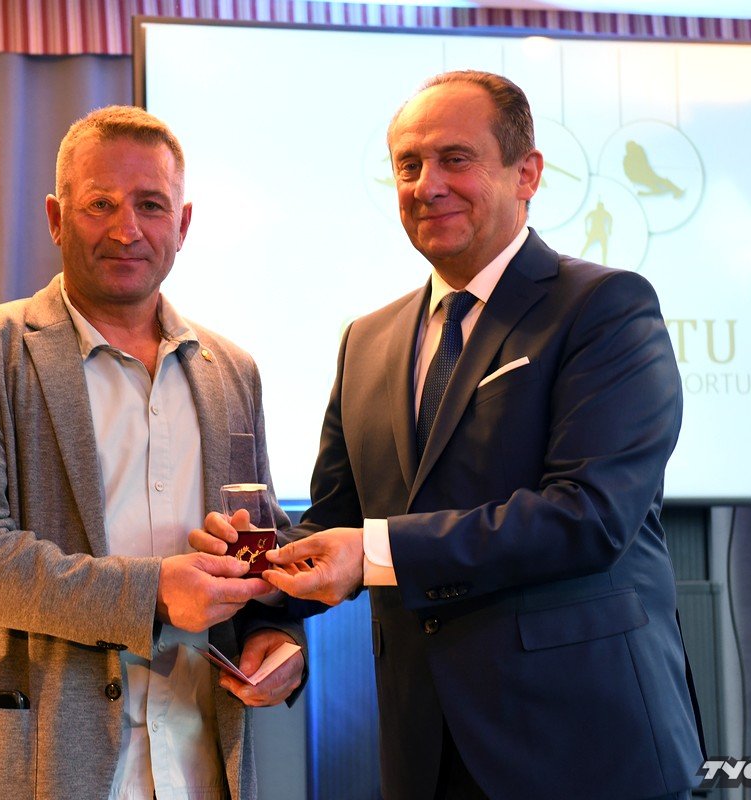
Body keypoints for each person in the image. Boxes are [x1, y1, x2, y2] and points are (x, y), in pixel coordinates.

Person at [195, 71, 704, 799]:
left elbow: (589, 517)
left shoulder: (604, 308)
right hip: (424, 750)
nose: (426, 185)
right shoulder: (366, 340)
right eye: (408, 165)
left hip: (584, 743)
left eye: (455, 159)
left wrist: (373, 552)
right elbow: (338, 521)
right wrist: (261, 593)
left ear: (527, 173)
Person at [0, 105, 304, 800]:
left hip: (200, 765)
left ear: (182, 225)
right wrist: (154, 594)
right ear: (57, 219)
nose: (127, 229)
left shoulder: (232, 371)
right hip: (37, 769)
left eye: (151, 205)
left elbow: (256, 540)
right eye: (100, 204)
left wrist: (276, 633)